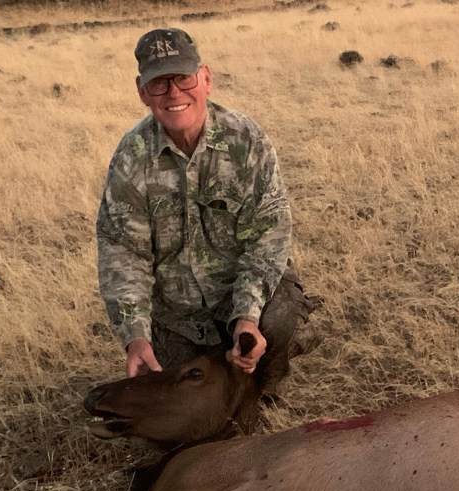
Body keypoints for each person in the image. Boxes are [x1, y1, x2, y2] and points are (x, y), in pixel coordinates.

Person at [97, 27, 319, 387]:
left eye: (183, 78)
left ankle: (269, 381)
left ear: (206, 79)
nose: (174, 93)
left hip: (242, 293)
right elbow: (122, 254)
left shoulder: (247, 141)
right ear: (142, 92)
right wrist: (136, 336)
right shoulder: (130, 158)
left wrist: (247, 316)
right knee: (181, 393)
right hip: (178, 315)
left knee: (275, 324)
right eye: (159, 83)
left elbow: (268, 237)